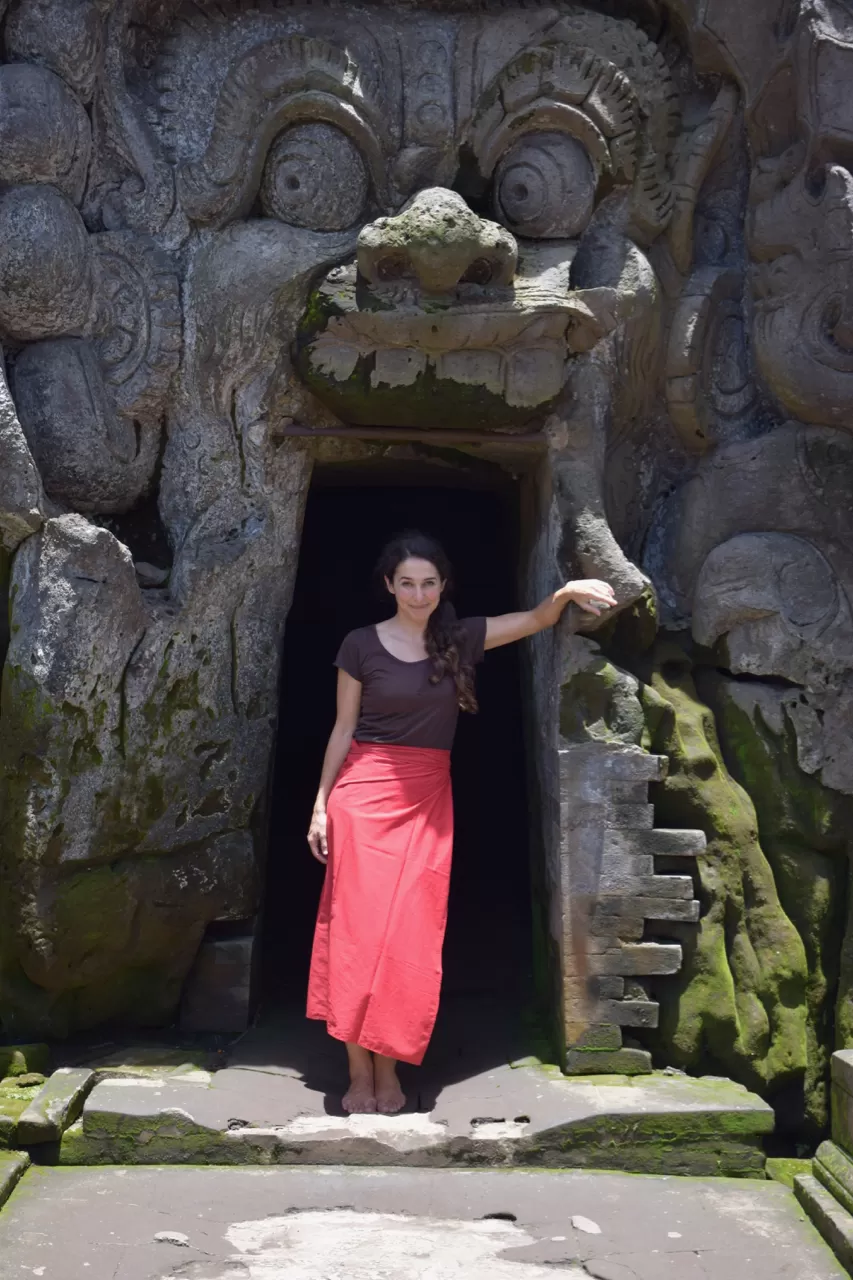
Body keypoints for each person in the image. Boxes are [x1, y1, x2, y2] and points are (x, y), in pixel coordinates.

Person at [306, 530, 616, 1115]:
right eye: (406, 583)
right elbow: (343, 729)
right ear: (388, 585)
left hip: (427, 799)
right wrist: (321, 805)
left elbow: (533, 620)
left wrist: (564, 593)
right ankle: (357, 1070)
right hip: (363, 795)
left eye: (428, 583)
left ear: (443, 585)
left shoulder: (459, 638)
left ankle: (389, 1066)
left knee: (409, 936)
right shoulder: (359, 645)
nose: (418, 595)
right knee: (356, 934)